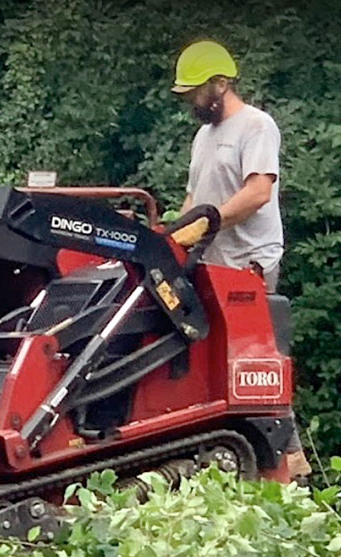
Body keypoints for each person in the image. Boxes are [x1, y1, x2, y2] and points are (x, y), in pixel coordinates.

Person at [173, 40, 309, 480]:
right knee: (211, 366)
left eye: (196, 92)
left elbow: (257, 192)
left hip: (250, 263)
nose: (192, 101)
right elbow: (195, 198)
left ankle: (285, 470)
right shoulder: (203, 136)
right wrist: (172, 238)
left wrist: (208, 224)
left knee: (255, 369)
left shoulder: (256, 126)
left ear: (221, 83)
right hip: (211, 264)